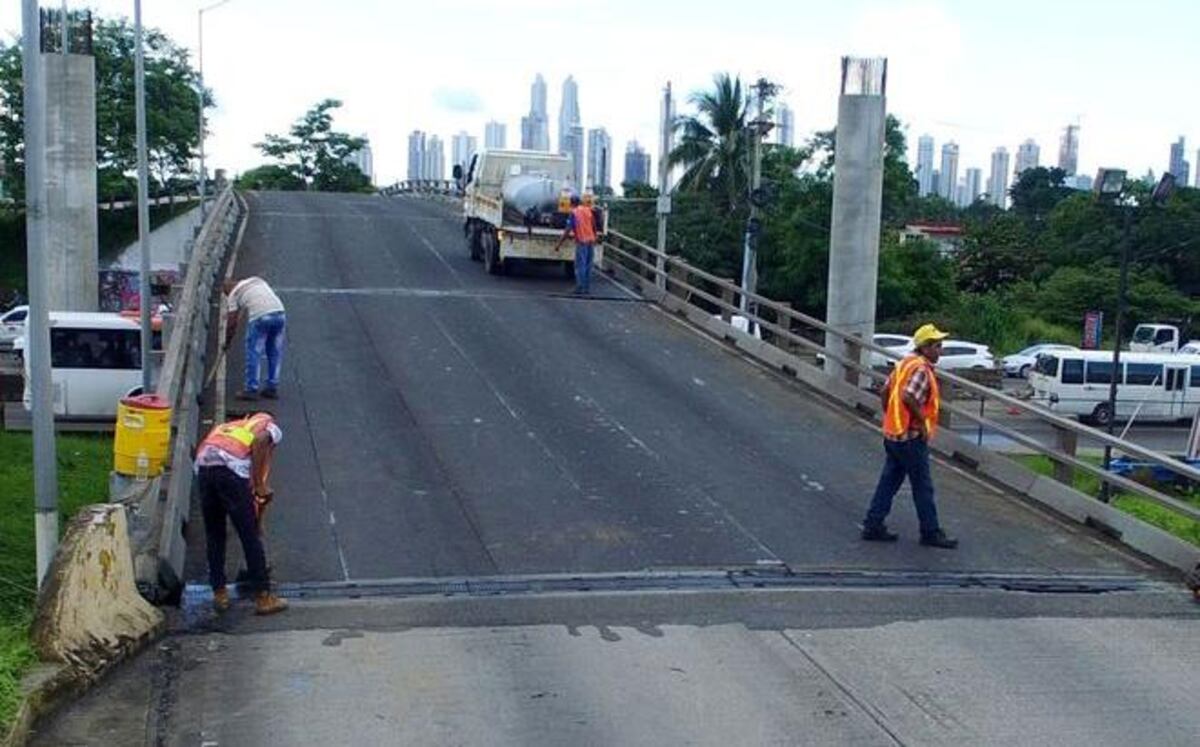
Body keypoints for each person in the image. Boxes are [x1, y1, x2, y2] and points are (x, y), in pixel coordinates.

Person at [861, 323, 958, 549]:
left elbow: (886, 391)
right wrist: (922, 423)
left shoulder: (904, 363)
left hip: (893, 434)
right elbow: (908, 396)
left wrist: (890, 416)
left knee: (889, 481)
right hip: (911, 437)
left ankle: (873, 524)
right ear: (924, 347)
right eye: (936, 346)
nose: (939, 351)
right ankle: (930, 531)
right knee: (922, 486)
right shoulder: (922, 369)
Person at [194, 411, 289, 615]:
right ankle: (263, 597)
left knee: (215, 534)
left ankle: (219, 593)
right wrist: (260, 485)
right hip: (231, 472)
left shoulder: (229, 427)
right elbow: (261, 441)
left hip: (205, 470)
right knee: (249, 535)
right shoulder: (268, 425)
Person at [224, 276, 286, 400]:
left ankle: (251, 389)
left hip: (260, 317)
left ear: (227, 289)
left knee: (254, 351)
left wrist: (227, 341)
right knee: (274, 352)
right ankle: (272, 386)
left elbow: (232, 323)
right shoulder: (256, 280)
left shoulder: (233, 294)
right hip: (280, 313)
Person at [554, 194, 598, 295]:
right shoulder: (587, 210)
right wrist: (595, 236)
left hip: (582, 241)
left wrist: (559, 244)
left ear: (571, 203)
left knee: (580, 265)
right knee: (588, 265)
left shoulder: (574, 213)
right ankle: (586, 288)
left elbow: (568, 229)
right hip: (590, 240)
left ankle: (579, 287)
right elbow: (594, 225)